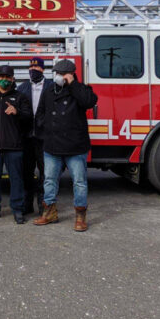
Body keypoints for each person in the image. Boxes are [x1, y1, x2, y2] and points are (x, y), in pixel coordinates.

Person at [34, 59, 98, 232]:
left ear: (70, 74)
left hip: (75, 146)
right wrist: (45, 131)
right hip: (52, 145)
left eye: (61, 74)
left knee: (79, 182)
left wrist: (72, 84)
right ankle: (49, 212)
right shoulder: (49, 91)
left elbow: (88, 102)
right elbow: (40, 114)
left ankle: (80, 216)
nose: (58, 77)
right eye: (56, 73)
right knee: (49, 181)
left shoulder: (81, 89)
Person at [0, 65, 32, 224]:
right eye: (1, 76)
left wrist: (17, 112)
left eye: (8, 77)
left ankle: (17, 210)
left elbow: (29, 117)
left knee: (17, 179)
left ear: (13, 79)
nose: (4, 80)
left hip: (14, 147)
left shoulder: (21, 97)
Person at [16, 57, 52, 215]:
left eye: (36, 67)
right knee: (26, 172)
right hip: (27, 137)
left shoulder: (52, 87)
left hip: (45, 138)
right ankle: (27, 204)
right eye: (31, 66)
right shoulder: (22, 87)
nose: (33, 69)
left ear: (43, 69)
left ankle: (43, 204)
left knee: (46, 173)